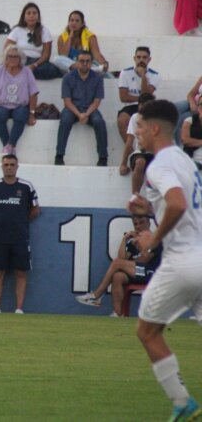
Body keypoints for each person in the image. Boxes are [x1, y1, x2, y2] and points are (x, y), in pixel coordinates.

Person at [125, 99, 202, 421]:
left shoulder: (158, 165)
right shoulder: (186, 162)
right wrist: (147, 208)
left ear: (154, 128)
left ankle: (182, 400)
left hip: (183, 261)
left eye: (140, 126)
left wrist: (151, 242)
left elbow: (177, 204)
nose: (137, 133)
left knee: (147, 331)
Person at [0, 154, 40, 313]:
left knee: (20, 272)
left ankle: (19, 309)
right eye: (6, 164)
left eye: (12, 164)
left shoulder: (26, 186)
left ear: (17, 166)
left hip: (20, 237)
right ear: (2, 166)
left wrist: (22, 221)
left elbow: (36, 209)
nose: (9, 167)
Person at [75, 214, 162, 317]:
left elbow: (144, 260)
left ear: (149, 223)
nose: (138, 226)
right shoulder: (133, 241)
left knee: (117, 264)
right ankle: (118, 313)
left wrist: (138, 246)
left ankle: (96, 295)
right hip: (137, 272)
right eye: (135, 224)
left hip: (150, 273)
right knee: (117, 276)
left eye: (141, 223)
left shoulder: (155, 240)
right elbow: (122, 259)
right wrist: (125, 240)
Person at [54, 50, 108, 166]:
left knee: (99, 122)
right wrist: (79, 115)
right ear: (77, 62)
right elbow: (67, 101)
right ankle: (59, 155)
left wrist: (86, 114)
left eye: (87, 61)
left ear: (91, 63)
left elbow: (97, 101)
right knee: (65, 120)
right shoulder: (68, 78)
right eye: (82, 61)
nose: (84, 64)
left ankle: (103, 157)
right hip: (72, 108)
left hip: (90, 109)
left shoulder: (98, 78)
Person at [0, 45, 39, 156]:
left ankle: (9, 145)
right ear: (5, 58)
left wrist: (32, 113)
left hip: (20, 105)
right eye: (10, 56)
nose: (12, 59)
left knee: (21, 115)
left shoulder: (27, 72)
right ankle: (8, 147)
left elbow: (33, 93)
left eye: (16, 57)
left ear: (20, 59)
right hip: (2, 104)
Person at [4, 2, 60, 80]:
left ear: (38, 17)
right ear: (24, 16)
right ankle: (22, 71)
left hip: (38, 63)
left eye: (34, 13)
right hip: (20, 60)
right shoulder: (17, 30)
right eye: (28, 13)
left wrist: (34, 65)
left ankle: (22, 72)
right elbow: (7, 50)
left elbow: (46, 55)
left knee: (50, 70)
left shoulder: (44, 31)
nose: (31, 16)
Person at [116, 46, 160, 142]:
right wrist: (140, 98)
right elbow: (123, 97)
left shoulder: (155, 75)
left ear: (149, 59)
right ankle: (131, 151)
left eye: (144, 57)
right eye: (139, 57)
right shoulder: (125, 73)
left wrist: (143, 77)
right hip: (130, 106)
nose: (141, 60)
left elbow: (146, 98)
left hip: (146, 106)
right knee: (122, 120)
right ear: (134, 58)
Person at [54, 10, 111, 76]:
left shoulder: (90, 36)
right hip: (70, 69)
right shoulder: (62, 37)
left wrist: (104, 63)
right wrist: (69, 38)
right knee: (56, 59)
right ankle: (90, 69)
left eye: (77, 21)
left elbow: (97, 54)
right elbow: (63, 55)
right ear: (68, 23)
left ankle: (89, 69)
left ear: (82, 24)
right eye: (71, 20)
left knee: (107, 75)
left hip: (86, 64)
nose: (74, 23)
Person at [121, 93, 157, 194]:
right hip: (139, 152)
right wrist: (123, 163)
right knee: (140, 162)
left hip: (154, 153)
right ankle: (135, 195)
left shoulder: (158, 120)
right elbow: (129, 141)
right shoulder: (135, 118)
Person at [181, 95, 202, 169]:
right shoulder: (189, 121)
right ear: (198, 107)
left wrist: (194, 142)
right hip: (192, 160)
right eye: (201, 104)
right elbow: (185, 140)